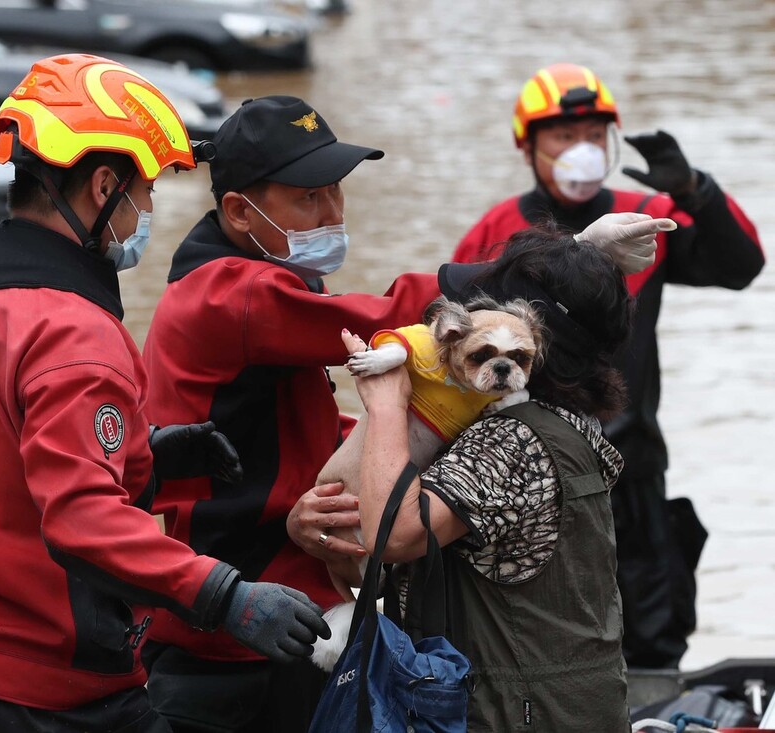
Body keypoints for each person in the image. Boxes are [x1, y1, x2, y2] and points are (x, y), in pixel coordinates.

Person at [139, 94, 678, 733]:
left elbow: (304, 423)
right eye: (309, 198)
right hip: (239, 608)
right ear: (237, 210)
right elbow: (392, 317)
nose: (334, 212)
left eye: (337, 191)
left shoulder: (262, 274)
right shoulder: (233, 293)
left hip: (287, 588)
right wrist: (565, 264)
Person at [0, 56, 331, 733]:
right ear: (102, 186)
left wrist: (150, 453)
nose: (148, 209)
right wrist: (225, 593)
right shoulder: (73, 329)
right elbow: (81, 520)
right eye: (144, 189)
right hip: (42, 687)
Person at [452, 62, 766, 669]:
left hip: (632, 464)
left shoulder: (646, 217)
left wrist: (699, 190)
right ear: (529, 147)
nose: (582, 150)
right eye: (564, 137)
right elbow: (456, 348)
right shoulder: (497, 230)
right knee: (539, 642)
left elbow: (741, 267)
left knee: (651, 635)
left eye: (595, 135)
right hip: (528, 475)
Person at [344, 225, 634, 731]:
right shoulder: (564, 421)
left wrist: (388, 405)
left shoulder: (511, 441)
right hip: (574, 703)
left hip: (515, 713)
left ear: (536, 345)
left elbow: (393, 534)